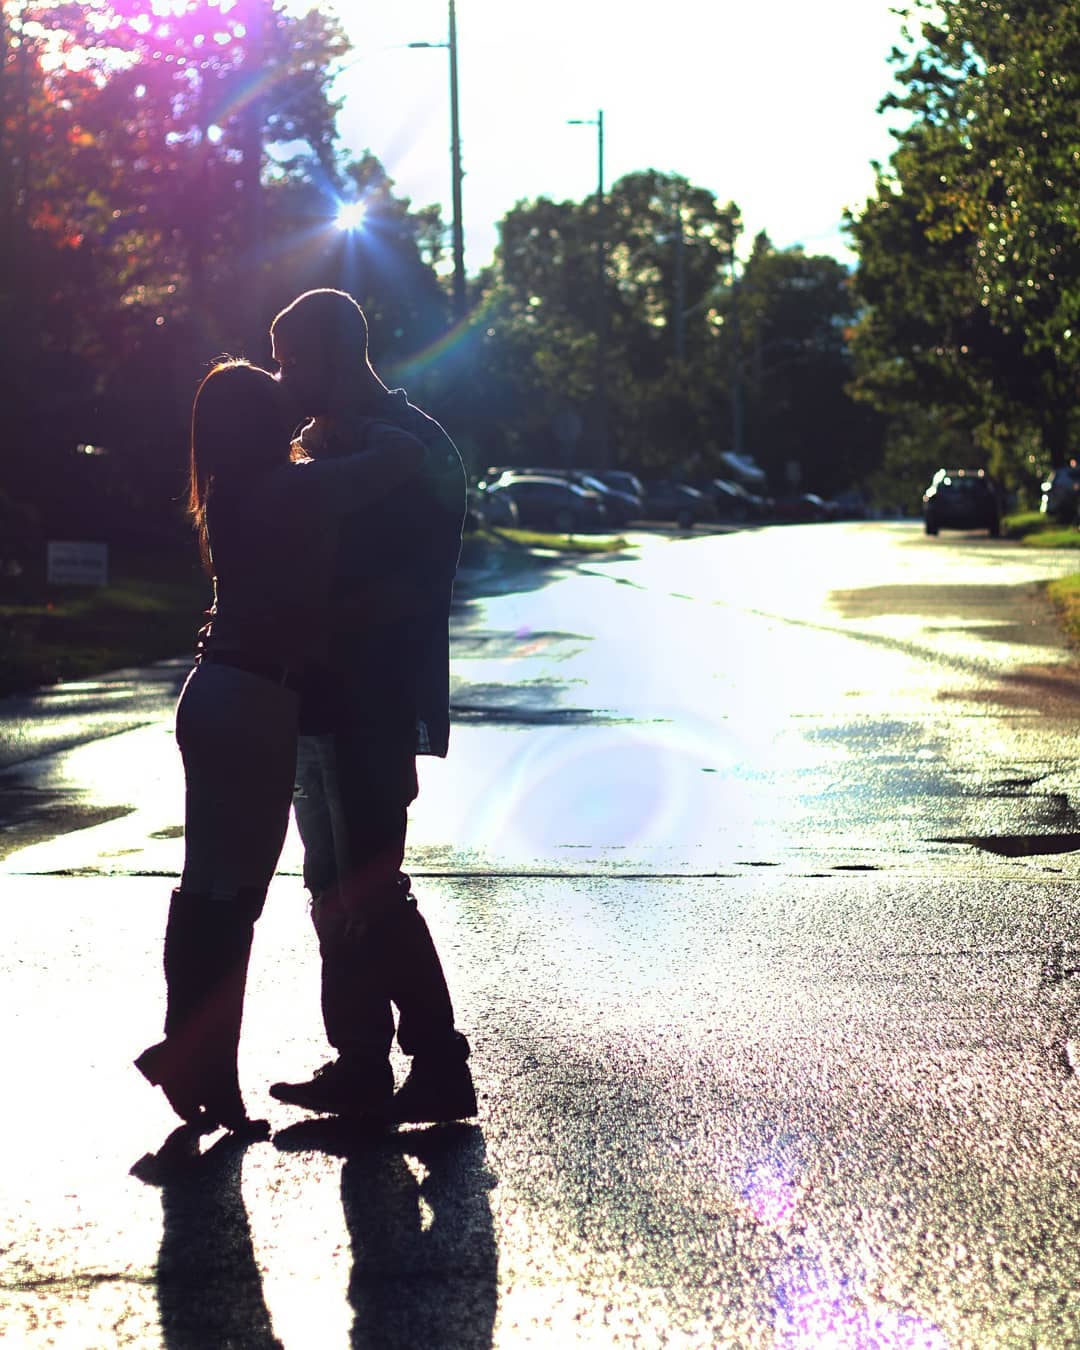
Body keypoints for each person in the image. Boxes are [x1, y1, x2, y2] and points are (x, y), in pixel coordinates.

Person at [135, 359, 425, 1132]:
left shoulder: (237, 491)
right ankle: (198, 1065)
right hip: (256, 699)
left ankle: (193, 1063)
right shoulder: (291, 491)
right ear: (262, 425)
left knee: (210, 892)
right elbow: (400, 460)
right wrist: (350, 419)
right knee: (234, 901)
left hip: (217, 693)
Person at [266, 288, 477, 1125]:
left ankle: (437, 1061)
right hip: (317, 697)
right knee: (330, 888)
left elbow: (404, 588)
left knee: (371, 888)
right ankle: (358, 1063)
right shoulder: (333, 442)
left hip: (372, 695)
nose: (284, 378)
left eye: (291, 359)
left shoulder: (412, 445)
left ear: (333, 353)